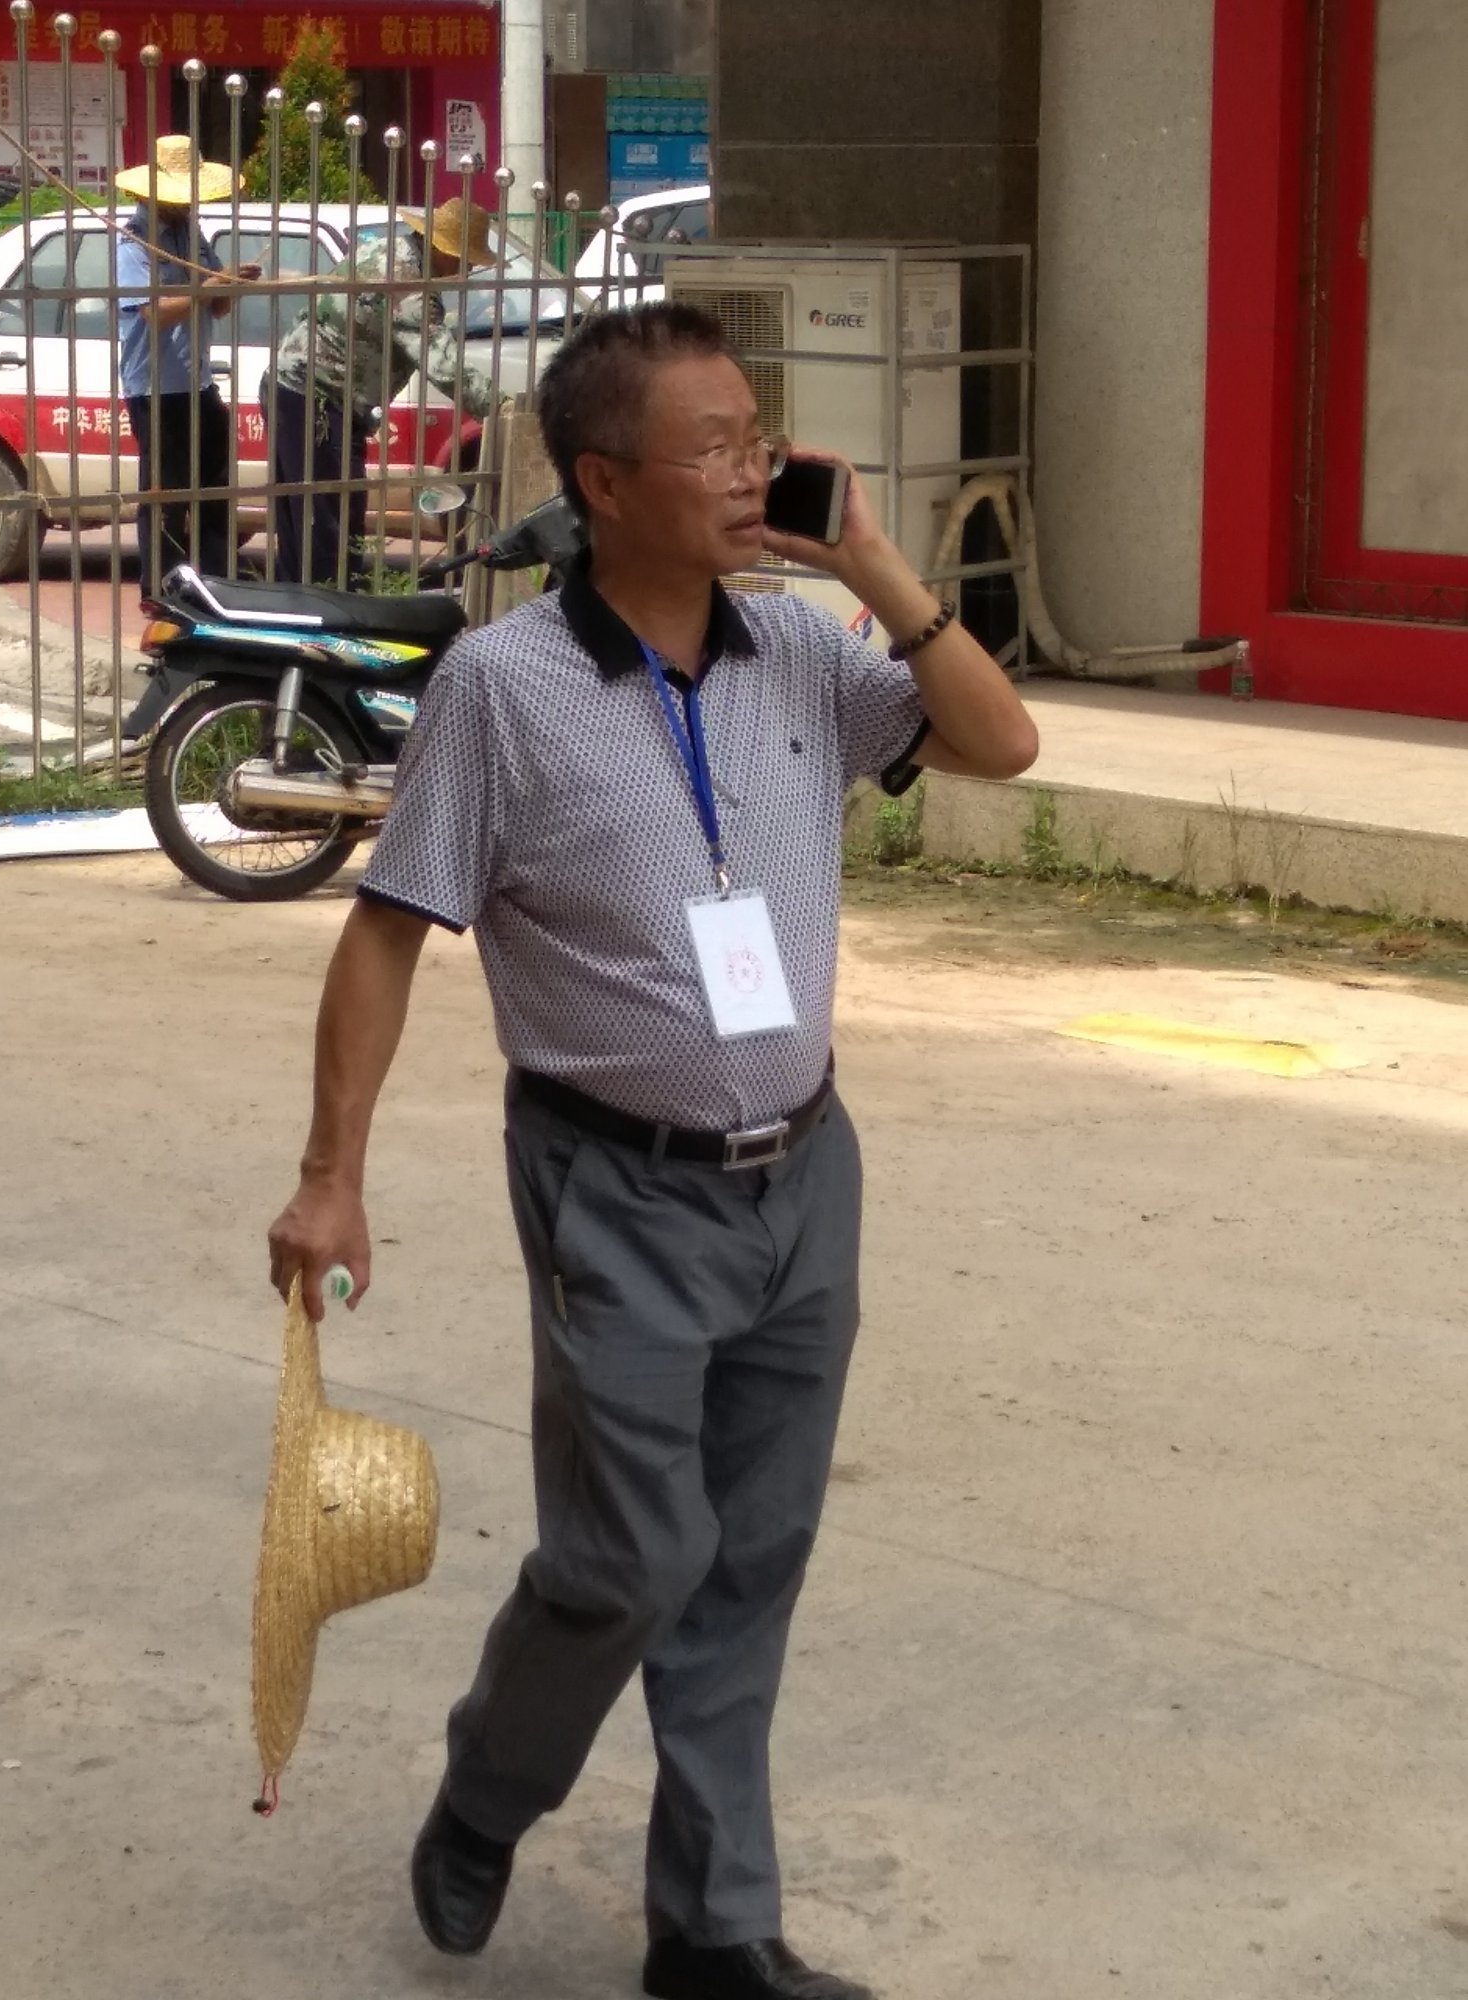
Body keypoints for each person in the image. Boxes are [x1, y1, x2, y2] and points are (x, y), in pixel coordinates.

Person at [267, 302, 1038, 2000]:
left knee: (751, 1561)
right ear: (604, 485)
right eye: (714, 447)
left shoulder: (806, 654)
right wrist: (333, 1171)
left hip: (804, 1177)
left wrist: (873, 562)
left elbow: (1002, 743)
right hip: (614, 1185)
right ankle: (490, 1787)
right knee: (632, 1559)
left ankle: (711, 1932)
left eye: (759, 436)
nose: (753, 469)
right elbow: (388, 933)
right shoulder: (505, 689)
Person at [268, 197, 497, 590]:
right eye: (466, 259)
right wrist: (502, 407)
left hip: (297, 388)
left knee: (309, 525)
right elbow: (442, 364)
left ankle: (304, 602)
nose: (469, 269)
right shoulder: (410, 285)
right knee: (330, 529)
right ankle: (327, 608)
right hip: (317, 399)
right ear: (445, 251)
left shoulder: (388, 249)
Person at [113, 136, 255, 595]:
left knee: (214, 488)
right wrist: (208, 286)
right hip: (156, 388)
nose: (189, 204)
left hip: (198, 380)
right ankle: (161, 592)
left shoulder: (193, 235)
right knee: (165, 496)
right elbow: (154, 313)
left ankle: (216, 585)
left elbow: (217, 308)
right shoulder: (132, 242)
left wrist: (231, 285)